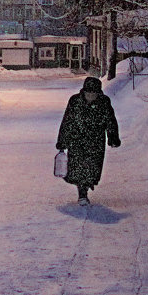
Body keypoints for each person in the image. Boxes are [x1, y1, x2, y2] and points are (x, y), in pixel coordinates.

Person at [56, 76, 120, 206]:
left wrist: (113, 138)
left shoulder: (104, 102)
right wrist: (63, 141)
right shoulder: (75, 101)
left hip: (95, 142)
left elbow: (110, 121)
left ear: (98, 93)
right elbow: (67, 121)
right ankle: (82, 192)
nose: (90, 95)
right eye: (88, 92)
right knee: (78, 168)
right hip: (77, 140)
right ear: (83, 91)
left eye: (93, 93)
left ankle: (85, 187)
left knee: (92, 168)